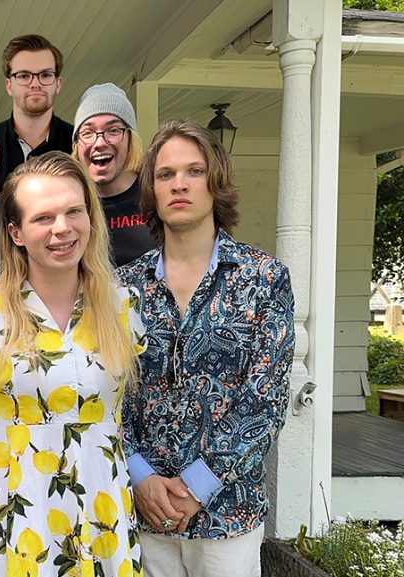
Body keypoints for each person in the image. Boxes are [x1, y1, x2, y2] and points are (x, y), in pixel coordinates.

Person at [0, 151, 145, 576]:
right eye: (43, 217)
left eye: (73, 211)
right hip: (17, 516)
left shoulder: (122, 308)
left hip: (101, 514)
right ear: (15, 232)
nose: (62, 228)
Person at [116, 120, 294, 577]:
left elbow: (265, 401)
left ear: (215, 182)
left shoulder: (262, 279)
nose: (179, 184)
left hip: (227, 515)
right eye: (165, 174)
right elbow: (109, 389)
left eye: (193, 171)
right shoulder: (124, 287)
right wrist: (140, 476)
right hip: (145, 511)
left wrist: (196, 487)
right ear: (151, 190)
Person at [72, 83, 155, 266]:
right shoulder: (68, 200)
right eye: (88, 132)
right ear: (77, 145)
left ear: (130, 139)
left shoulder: (157, 193)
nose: (100, 142)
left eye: (114, 130)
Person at [0, 34, 74, 193]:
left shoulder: (79, 145)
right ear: (9, 85)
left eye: (45, 75)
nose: (35, 84)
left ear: (58, 83)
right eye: (23, 76)